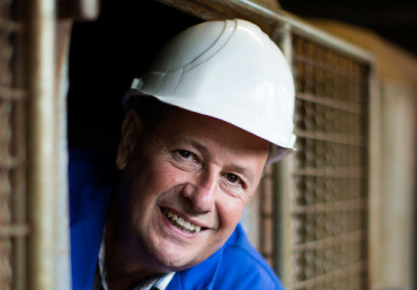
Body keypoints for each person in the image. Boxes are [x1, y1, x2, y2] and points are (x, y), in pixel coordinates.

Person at [69, 18, 296, 290]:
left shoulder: (248, 285)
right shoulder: (37, 192)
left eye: (233, 179)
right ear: (130, 140)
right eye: (187, 156)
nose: (202, 199)